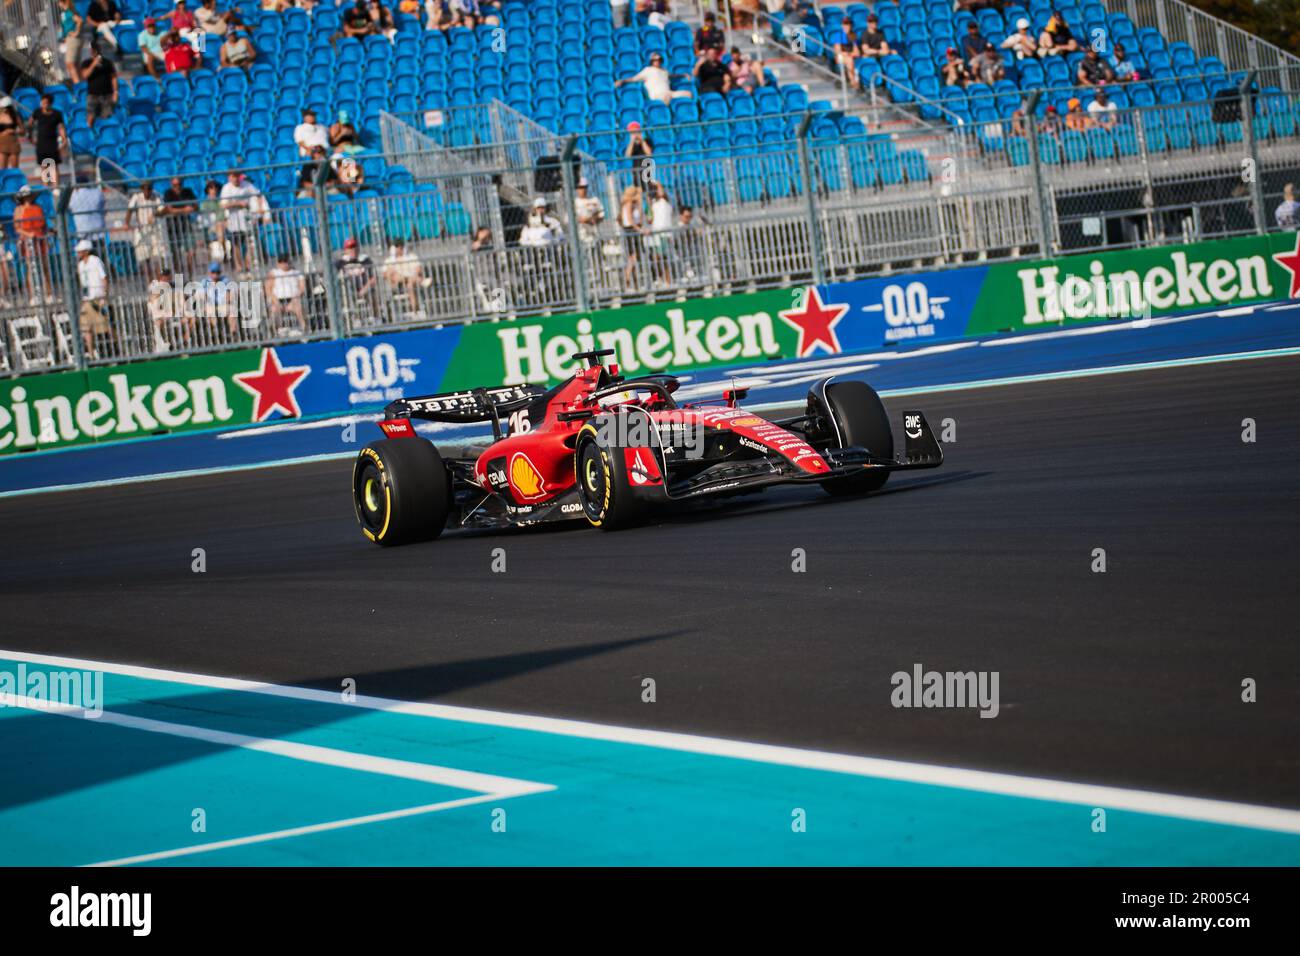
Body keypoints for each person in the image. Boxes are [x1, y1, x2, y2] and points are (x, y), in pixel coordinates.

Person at [14, 186, 53, 303]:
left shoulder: (37, 208)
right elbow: (17, 228)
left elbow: (44, 225)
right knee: (31, 269)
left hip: (40, 242)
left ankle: (49, 294)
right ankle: (33, 296)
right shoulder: (19, 210)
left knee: (45, 267)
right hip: (28, 243)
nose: (28, 198)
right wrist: (28, 234)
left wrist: (47, 234)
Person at [76, 239, 112, 359]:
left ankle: (109, 353)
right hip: (87, 300)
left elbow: (104, 278)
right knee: (86, 328)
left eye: (80, 251)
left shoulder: (95, 261)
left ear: (86, 251)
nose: (78, 253)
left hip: (97, 298)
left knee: (103, 328)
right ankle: (91, 354)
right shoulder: (80, 265)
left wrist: (104, 296)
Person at [618, 52, 692, 105]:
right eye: (655, 60)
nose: (657, 61)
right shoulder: (647, 70)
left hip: (669, 93)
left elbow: (673, 75)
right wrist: (623, 81)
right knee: (666, 98)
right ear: (652, 61)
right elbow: (634, 78)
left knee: (688, 94)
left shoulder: (664, 70)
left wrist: (684, 75)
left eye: (659, 60)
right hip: (657, 95)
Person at [127, 180, 168, 274]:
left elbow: (163, 210)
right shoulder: (136, 197)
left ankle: (160, 280)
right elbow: (129, 210)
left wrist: (155, 213)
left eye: (149, 189)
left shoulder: (156, 196)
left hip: (156, 230)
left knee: (159, 256)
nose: (147, 191)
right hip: (142, 230)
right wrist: (126, 223)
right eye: (145, 189)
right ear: (141, 189)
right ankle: (150, 282)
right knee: (145, 258)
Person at [219, 170, 256, 273]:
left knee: (249, 243)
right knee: (236, 245)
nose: (235, 178)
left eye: (237, 176)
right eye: (233, 176)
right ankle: (239, 267)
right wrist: (238, 203)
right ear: (229, 178)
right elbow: (223, 205)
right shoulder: (226, 188)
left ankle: (249, 266)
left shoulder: (247, 185)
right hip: (234, 222)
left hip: (246, 220)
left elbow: (258, 194)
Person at [160, 175, 199, 269]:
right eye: (175, 185)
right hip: (172, 228)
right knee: (176, 255)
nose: (177, 187)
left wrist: (179, 210)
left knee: (191, 251)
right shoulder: (168, 193)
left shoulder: (188, 191)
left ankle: (190, 277)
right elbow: (169, 210)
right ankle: (179, 281)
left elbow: (196, 206)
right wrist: (185, 209)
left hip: (186, 225)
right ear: (171, 184)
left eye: (179, 184)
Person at [335, 237, 377, 320]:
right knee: (346, 294)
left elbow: (373, 278)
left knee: (372, 293)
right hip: (348, 291)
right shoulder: (341, 262)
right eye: (350, 248)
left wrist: (364, 289)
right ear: (346, 250)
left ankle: (376, 317)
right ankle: (354, 319)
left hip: (364, 288)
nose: (353, 250)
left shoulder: (365, 260)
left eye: (354, 247)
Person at [265, 253, 307, 333]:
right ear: (278, 263)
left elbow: (302, 288)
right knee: (275, 310)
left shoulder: (296, 272)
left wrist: (294, 299)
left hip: (294, 299)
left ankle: (304, 329)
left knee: (298, 308)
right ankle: (276, 331)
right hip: (277, 299)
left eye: (285, 262)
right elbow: (268, 290)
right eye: (281, 262)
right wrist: (276, 302)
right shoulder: (273, 273)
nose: (284, 264)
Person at [27, 93, 67, 173]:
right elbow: (30, 124)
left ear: (50, 103)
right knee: (44, 165)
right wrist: (30, 136)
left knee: (53, 165)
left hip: (52, 142)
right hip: (41, 142)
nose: (44, 104)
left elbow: (61, 128)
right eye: (43, 102)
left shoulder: (57, 114)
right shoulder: (37, 112)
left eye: (46, 103)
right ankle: (45, 185)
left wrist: (64, 139)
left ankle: (55, 185)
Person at [645, 182, 674, 286]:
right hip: (655, 235)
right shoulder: (653, 204)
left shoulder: (665, 201)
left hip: (665, 234)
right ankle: (661, 279)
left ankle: (667, 281)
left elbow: (661, 192)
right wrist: (648, 204)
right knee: (657, 258)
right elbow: (649, 219)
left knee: (662, 257)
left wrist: (655, 182)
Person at [82, 49, 118, 128]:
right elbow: (85, 75)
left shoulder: (107, 62)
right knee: (91, 116)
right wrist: (93, 64)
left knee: (107, 117)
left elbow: (113, 77)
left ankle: (105, 134)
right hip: (93, 95)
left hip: (107, 94)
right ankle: (90, 133)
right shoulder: (86, 63)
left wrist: (115, 92)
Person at [619, 184, 644, 289]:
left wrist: (639, 203)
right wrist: (639, 230)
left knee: (634, 258)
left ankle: (634, 283)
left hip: (632, 230)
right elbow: (629, 220)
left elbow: (641, 217)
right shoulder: (628, 204)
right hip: (630, 230)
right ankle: (627, 279)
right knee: (633, 258)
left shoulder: (633, 204)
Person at [831, 17, 861, 90]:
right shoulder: (838, 35)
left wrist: (849, 54)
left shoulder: (853, 35)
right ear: (842, 25)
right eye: (845, 24)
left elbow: (857, 52)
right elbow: (838, 51)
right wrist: (849, 54)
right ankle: (853, 82)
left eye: (848, 24)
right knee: (849, 60)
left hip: (850, 56)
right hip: (840, 57)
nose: (846, 26)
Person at [58, 0, 85, 82]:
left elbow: (80, 20)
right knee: (76, 65)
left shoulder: (70, 12)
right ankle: (81, 83)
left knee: (70, 63)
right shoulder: (64, 13)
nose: (59, 4)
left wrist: (76, 32)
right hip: (69, 39)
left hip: (73, 39)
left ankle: (77, 84)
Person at [574, 178, 604, 245]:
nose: (583, 190)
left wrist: (594, 219)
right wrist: (585, 220)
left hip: (595, 234)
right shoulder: (574, 202)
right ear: (577, 189)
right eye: (580, 187)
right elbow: (569, 219)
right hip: (581, 236)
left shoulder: (594, 200)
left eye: (584, 187)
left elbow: (601, 214)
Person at [0, 98, 21, 168]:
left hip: (13, 143)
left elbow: (23, 131)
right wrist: (4, 132)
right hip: (2, 144)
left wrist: (14, 131)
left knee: (15, 169)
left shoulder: (15, 117)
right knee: (3, 170)